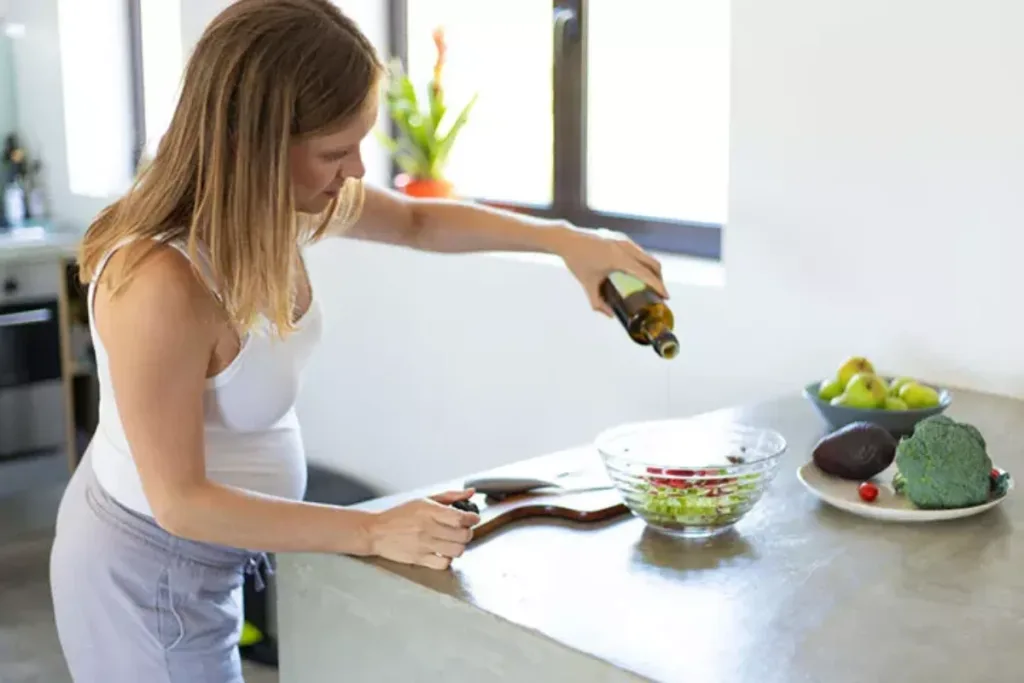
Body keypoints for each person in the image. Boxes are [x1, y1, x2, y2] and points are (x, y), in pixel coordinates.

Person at [48, 0, 669, 681]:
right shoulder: (158, 281)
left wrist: (564, 240)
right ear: (251, 146)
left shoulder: (275, 205)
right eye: (335, 152)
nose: (357, 171)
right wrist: (372, 527)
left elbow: (417, 224)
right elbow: (181, 500)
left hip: (211, 563)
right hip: (144, 576)